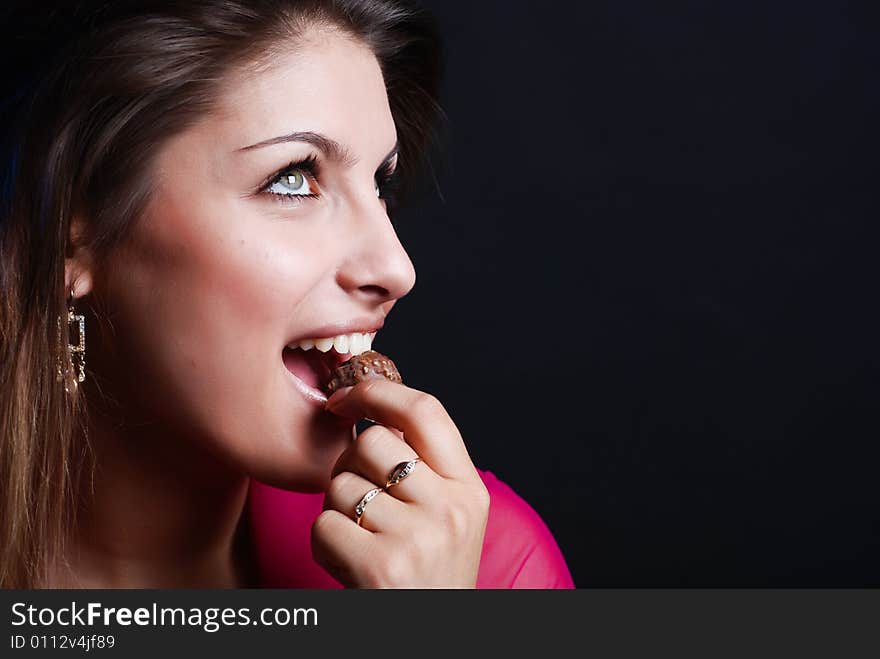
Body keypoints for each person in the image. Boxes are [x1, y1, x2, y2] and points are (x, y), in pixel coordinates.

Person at [0, 0, 574, 589]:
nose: (398, 268)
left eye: (381, 183)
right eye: (293, 179)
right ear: (73, 233)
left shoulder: (489, 571)